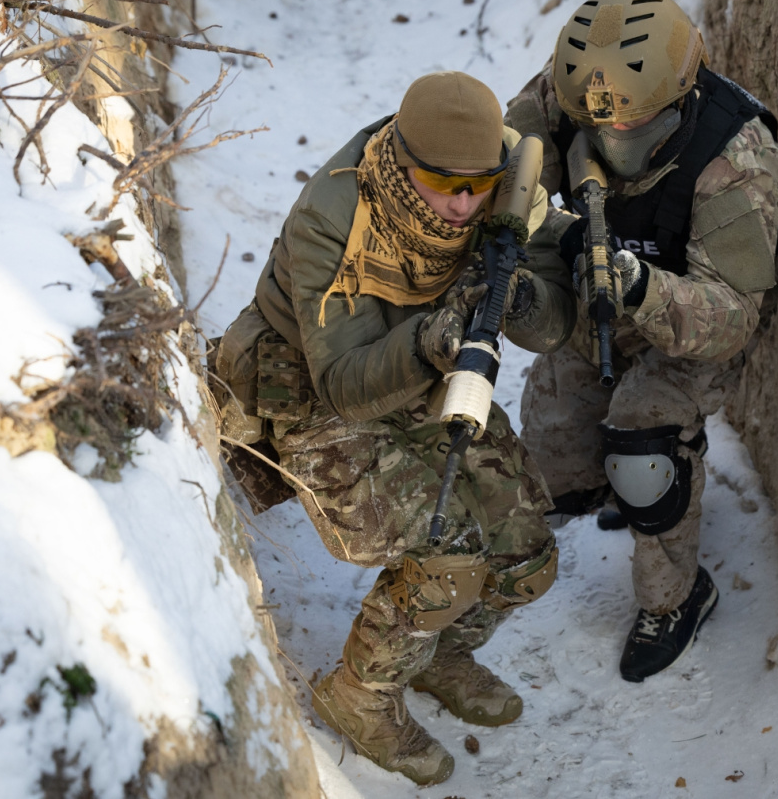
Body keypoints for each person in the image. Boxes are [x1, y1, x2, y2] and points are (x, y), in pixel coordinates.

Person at [214, 71, 575, 785]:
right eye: (443, 184)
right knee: (446, 554)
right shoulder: (334, 213)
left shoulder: (508, 185)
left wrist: (527, 298)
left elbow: (553, 325)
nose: (463, 204)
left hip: (429, 362)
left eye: (478, 185)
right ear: (405, 163)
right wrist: (429, 342)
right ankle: (360, 695)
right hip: (314, 382)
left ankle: (439, 652)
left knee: (526, 549)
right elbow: (345, 386)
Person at [504, 0, 778, 683]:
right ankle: (614, 489)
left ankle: (677, 597)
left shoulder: (735, 158)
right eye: (596, 125)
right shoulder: (568, 96)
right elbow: (511, 168)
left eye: (631, 126)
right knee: (553, 455)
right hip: (596, 295)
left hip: (696, 320)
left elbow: (730, 316)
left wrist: (640, 288)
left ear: (675, 99)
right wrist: (541, 235)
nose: (611, 138)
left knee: (642, 450)